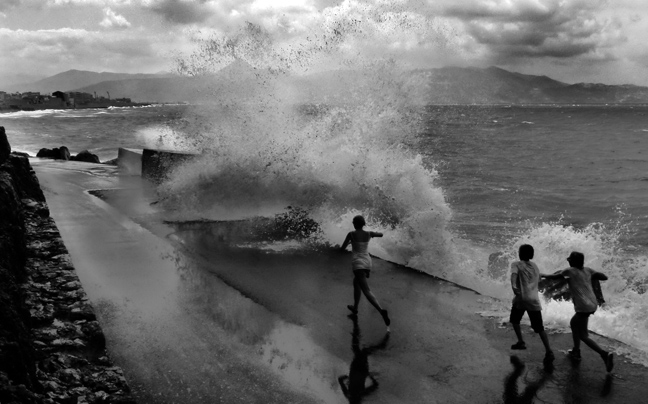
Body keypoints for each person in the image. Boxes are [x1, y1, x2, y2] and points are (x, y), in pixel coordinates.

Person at [542, 251, 614, 372]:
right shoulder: (588, 270)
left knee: (583, 335)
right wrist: (593, 274)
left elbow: (554, 277)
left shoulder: (569, 271)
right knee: (575, 325)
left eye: (569, 259)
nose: (568, 261)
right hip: (592, 304)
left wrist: (541, 274)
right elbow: (604, 277)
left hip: (583, 306)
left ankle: (604, 354)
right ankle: (576, 351)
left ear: (573, 262)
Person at [340, 215, 390, 330]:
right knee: (356, 283)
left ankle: (381, 311)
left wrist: (348, 244)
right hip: (367, 262)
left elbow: (342, 248)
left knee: (366, 290)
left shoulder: (351, 234)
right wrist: (373, 233)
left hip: (358, 264)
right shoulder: (368, 233)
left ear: (354, 224)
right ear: (363, 224)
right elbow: (381, 234)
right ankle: (355, 308)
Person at [509, 244, 554, 362]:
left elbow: (514, 276)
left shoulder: (516, 264)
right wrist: (553, 276)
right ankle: (549, 351)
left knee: (514, 320)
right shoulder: (534, 266)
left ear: (520, 253)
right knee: (539, 328)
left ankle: (521, 341)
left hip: (521, 299)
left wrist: (514, 286)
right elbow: (538, 278)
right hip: (534, 300)